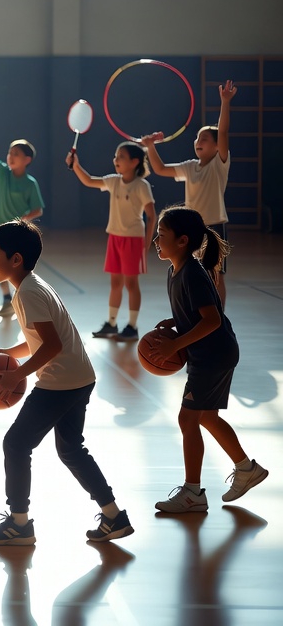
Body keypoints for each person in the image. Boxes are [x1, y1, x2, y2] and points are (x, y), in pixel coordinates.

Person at [0, 220, 132, 545]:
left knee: (16, 444)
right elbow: (41, 339)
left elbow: (51, 346)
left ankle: (18, 524)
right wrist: (11, 352)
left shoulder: (28, 293)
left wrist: (17, 374)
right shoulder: (32, 285)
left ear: (15, 259)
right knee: (72, 450)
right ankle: (114, 515)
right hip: (80, 377)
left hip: (60, 382)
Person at [149, 205, 268, 513]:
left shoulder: (192, 273)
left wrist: (175, 342)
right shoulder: (175, 269)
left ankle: (192, 493)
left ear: (183, 240)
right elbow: (195, 314)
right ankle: (246, 469)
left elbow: (212, 320)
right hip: (214, 352)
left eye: (162, 236)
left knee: (187, 418)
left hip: (213, 354)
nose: (156, 241)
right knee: (206, 416)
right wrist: (174, 323)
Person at [143, 79, 236, 305]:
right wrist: (150, 147)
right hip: (191, 227)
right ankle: (194, 315)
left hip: (214, 225)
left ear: (216, 146)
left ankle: (218, 319)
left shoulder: (219, 164)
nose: (198, 141)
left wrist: (225, 102)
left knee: (216, 276)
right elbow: (160, 169)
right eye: (197, 138)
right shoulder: (190, 166)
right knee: (191, 274)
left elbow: (222, 131)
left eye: (205, 138)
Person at [68, 142, 156, 341]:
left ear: (134, 162)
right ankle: (112, 324)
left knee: (131, 284)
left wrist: (147, 242)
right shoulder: (113, 181)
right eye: (115, 156)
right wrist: (75, 165)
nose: (115, 160)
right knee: (115, 283)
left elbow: (152, 216)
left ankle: (132, 327)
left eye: (121, 157)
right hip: (114, 239)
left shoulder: (142, 186)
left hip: (133, 240)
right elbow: (89, 180)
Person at [0, 124, 44, 318]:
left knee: (16, 266)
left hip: (16, 231)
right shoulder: (4, 174)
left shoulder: (30, 183)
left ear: (27, 159)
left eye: (16, 154)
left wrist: (23, 219)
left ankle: (19, 299)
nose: (10, 156)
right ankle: (7, 299)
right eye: (10, 153)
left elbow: (37, 209)